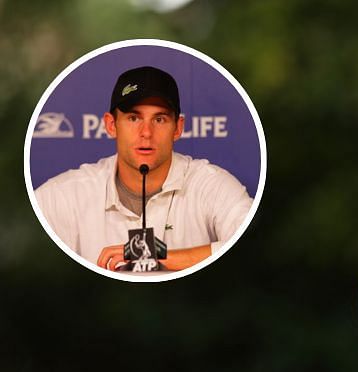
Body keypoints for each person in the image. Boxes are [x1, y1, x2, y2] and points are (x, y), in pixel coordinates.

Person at [35, 65, 252, 272]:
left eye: (159, 119)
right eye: (133, 118)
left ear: (178, 128)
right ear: (111, 125)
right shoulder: (63, 194)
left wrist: (158, 254)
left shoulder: (211, 184)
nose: (146, 132)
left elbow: (253, 246)